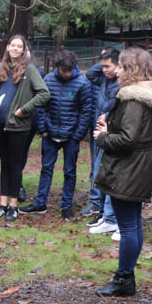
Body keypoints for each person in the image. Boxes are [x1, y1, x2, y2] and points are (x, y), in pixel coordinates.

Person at [93, 48, 152, 296]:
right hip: (139, 166)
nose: (117, 70)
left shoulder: (133, 99)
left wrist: (103, 136)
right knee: (133, 224)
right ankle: (125, 277)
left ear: (131, 70)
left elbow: (128, 139)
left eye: (121, 66)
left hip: (129, 169)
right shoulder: (148, 95)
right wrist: (111, 125)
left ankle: (124, 279)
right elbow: (138, 131)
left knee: (128, 226)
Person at [23, 50, 93, 218]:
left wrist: (77, 136)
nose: (67, 74)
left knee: (70, 172)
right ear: (58, 67)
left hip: (71, 137)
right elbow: (41, 106)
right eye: (63, 70)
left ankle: (66, 207)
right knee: (46, 169)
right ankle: (40, 203)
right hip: (50, 134)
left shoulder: (83, 84)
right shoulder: (47, 80)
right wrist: (43, 129)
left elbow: (85, 112)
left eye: (70, 70)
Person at [0, 36, 50, 221]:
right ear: (8, 47)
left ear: (23, 50)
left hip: (18, 126)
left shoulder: (29, 70)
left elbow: (44, 93)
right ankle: (2, 204)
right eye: (12, 45)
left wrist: (24, 109)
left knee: (15, 165)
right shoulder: (3, 68)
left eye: (19, 46)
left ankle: (13, 206)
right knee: (4, 163)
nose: (15, 48)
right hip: (0, 124)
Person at [86, 48, 122, 234]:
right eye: (103, 66)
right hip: (98, 129)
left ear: (119, 65)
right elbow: (90, 74)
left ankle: (109, 216)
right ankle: (101, 210)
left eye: (108, 66)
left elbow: (120, 109)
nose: (104, 70)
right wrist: (104, 56)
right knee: (97, 169)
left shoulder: (121, 83)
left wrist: (107, 116)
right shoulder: (103, 79)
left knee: (106, 171)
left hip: (110, 132)